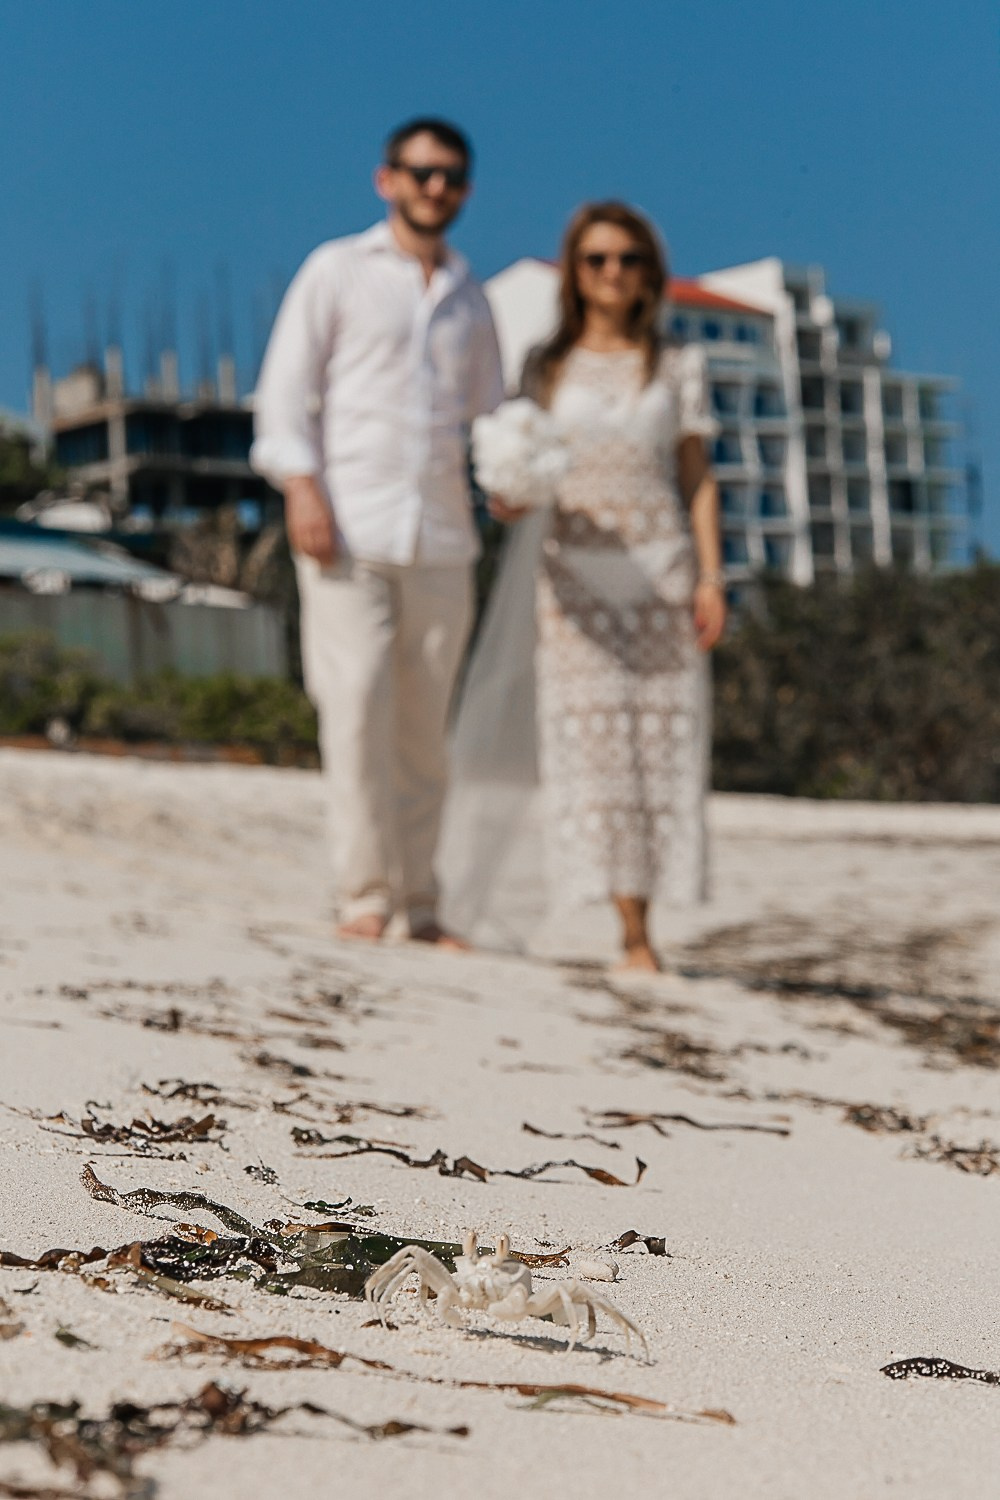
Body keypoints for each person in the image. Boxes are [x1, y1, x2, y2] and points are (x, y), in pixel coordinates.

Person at [251, 118, 504, 945]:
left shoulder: (473, 298)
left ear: (464, 191)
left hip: (442, 538)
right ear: (385, 179)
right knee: (355, 711)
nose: (435, 188)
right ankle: (364, 895)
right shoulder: (335, 271)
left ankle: (424, 902)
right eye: (421, 172)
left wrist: (509, 480)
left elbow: (490, 420)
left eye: (450, 176)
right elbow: (284, 394)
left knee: (426, 728)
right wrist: (301, 488)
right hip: (345, 528)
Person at [489, 201, 726, 971]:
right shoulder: (543, 365)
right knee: (595, 751)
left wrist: (712, 577)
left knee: (655, 748)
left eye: (627, 258)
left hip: (661, 573)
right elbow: (520, 467)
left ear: (649, 271)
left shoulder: (677, 363)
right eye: (595, 260)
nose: (612, 273)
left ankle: (642, 929)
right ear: (575, 273)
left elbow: (697, 476)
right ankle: (619, 924)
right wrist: (509, 492)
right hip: (573, 577)